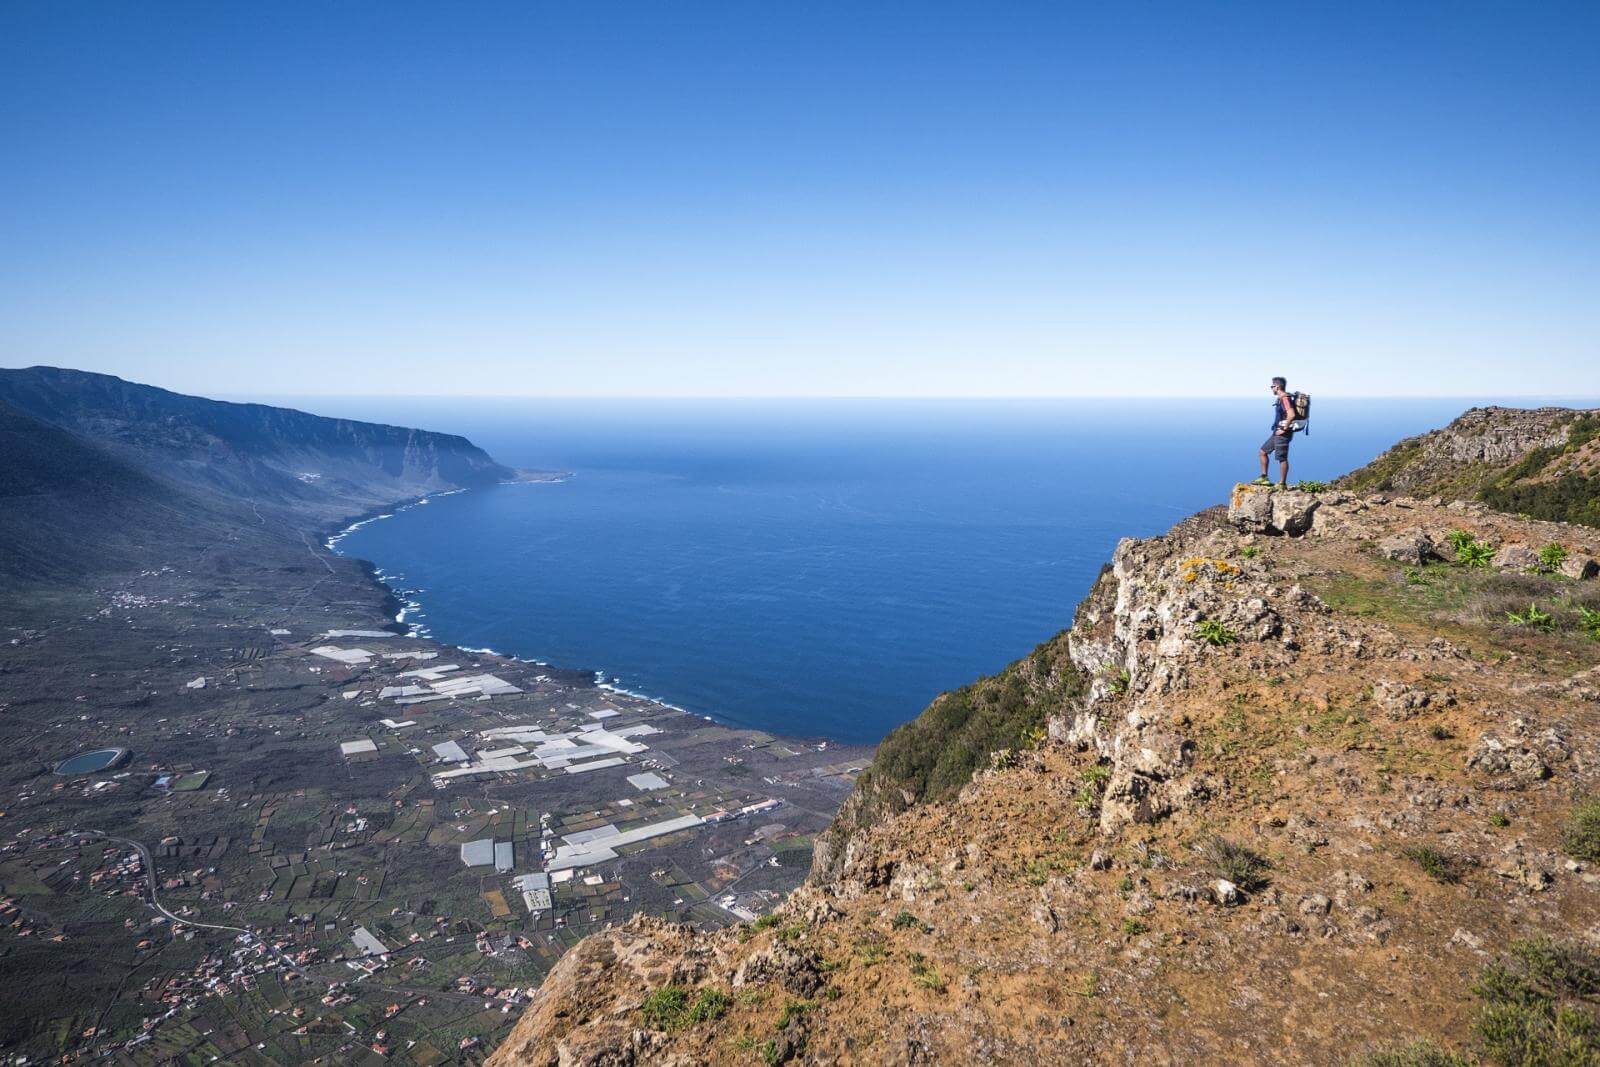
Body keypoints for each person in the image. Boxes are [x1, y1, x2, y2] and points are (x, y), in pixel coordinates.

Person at [1253, 377, 1298, 487]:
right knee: (1262, 452)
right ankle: (1264, 477)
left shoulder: (1285, 399)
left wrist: (1283, 429)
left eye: (1272, 386)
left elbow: (1291, 414)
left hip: (1283, 433)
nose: (1271, 388)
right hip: (1277, 432)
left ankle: (1282, 484)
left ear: (1277, 386)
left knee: (1282, 458)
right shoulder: (1281, 398)